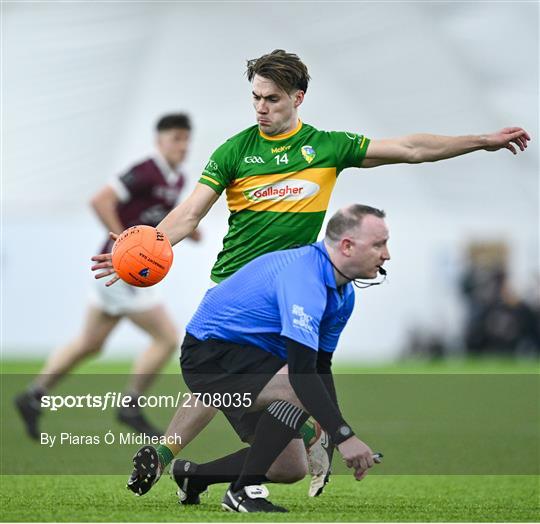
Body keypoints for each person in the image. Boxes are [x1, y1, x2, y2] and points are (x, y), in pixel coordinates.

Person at [91, 50, 530, 497]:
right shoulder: (235, 151)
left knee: (284, 448)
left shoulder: (326, 147)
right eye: (256, 98)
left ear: (299, 98)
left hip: (291, 297)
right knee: (264, 383)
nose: (261, 108)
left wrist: (481, 140)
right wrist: (137, 253)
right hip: (237, 292)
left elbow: (411, 149)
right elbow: (187, 215)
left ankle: (205, 464)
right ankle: (275, 450)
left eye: (273, 99)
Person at [146, 204, 388, 513]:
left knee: (289, 468)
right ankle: (240, 493)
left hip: (258, 361)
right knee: (298, 387)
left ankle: (194, 477)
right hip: (210, 355)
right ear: (347, 245)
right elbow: (301, 373)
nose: (386, 254)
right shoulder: (305, 277)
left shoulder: (344, 294)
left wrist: (336, 430)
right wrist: (344, 436)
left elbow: (320, 366)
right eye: (379, 244)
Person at [15, 113, 199, 439]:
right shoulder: (145, 170)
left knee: (90, 343)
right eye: (175, 138)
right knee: (167, 337)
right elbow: (100, 200)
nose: (182, 146)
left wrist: (189, 233)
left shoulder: (177, 180)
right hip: (119, 270)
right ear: (160, 141)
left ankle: (33, 396)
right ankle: (130, 407)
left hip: (115, 271)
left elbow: (164, 216)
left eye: (186, 139)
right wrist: (126, 245)